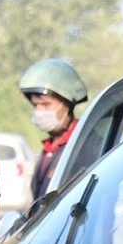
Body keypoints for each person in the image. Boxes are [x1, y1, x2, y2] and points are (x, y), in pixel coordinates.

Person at [19, 58, 88, 204]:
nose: (39, 111)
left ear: (68, 103)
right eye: (35, 105)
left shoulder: (85, 144)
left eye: (46, 104)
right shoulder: (49, 148)